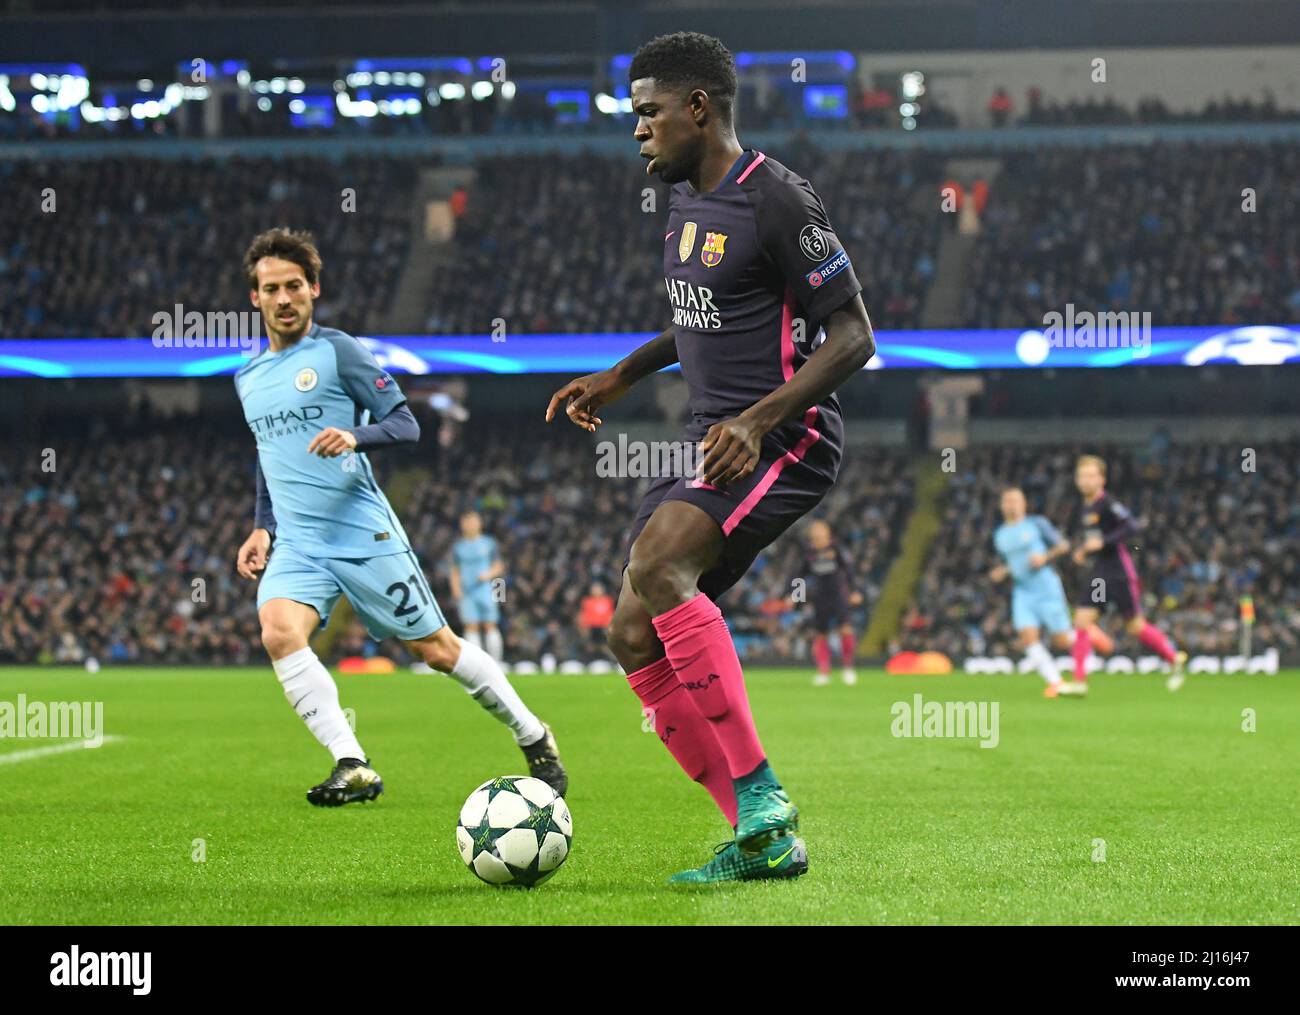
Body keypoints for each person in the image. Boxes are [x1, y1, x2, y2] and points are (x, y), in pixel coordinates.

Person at [545, 33, 874, 883]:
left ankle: (763, 794)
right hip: (710, 433)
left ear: (699, 108)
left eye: (648, 111)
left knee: (659, 565)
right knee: (627, 632)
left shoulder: (779, 199)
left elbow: (855, 337)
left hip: (783, 435)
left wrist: (762, 420)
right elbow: (705, 318)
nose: (637, 130)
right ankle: (758, 837)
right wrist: (622, 372)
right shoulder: (687, 205)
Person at [234, 227, 566, 806]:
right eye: (271, 289)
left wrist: (354, 436)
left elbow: (405, 424)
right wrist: (263, 524)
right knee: (278, 631)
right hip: (299, 544)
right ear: (254, 298)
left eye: (294, 286)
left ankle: (533, 734)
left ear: (314, 289)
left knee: (437, 650)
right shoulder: (247, 377)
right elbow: (268, 453)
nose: (284, 299)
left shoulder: (339, 351)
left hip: (363, 533)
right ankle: (352, 762)